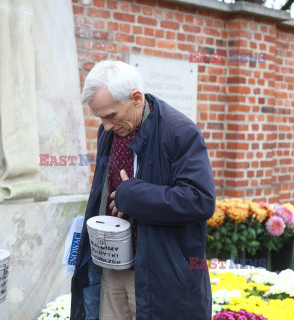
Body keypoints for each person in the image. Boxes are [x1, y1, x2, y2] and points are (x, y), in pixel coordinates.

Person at [71, 60, 216, 320]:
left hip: (162, 276)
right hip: (113, 268)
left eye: (111, 115)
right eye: (100, 117)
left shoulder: (180, 132)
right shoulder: (109, 132)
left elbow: (200, 200)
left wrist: (132, 195)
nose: (105, 126)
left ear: (136, 98)